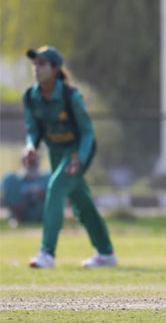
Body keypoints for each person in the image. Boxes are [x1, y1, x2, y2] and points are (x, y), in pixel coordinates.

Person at [22, 46, 116, 268]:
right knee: (80, 201)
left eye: (42, 64)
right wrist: (30, 147)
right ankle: (106, 252)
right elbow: (33, 130)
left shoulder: (70, 96)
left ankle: (47, 253)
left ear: (55, 69)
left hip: (77, 149)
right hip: (56, 150)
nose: (36, 68)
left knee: (55, 187)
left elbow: (87, 132)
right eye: (34, 63)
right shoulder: (30, 96)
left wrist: (80, 159)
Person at [1, 151, 50, 224]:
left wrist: (41, 192)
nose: (31, 164)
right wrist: (26, 195)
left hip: (42, 212)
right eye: (28, 161)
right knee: (10, 179)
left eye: (34, 161)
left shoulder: (47, 178)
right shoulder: (13, 180)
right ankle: (16, 219)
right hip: (20, 213)